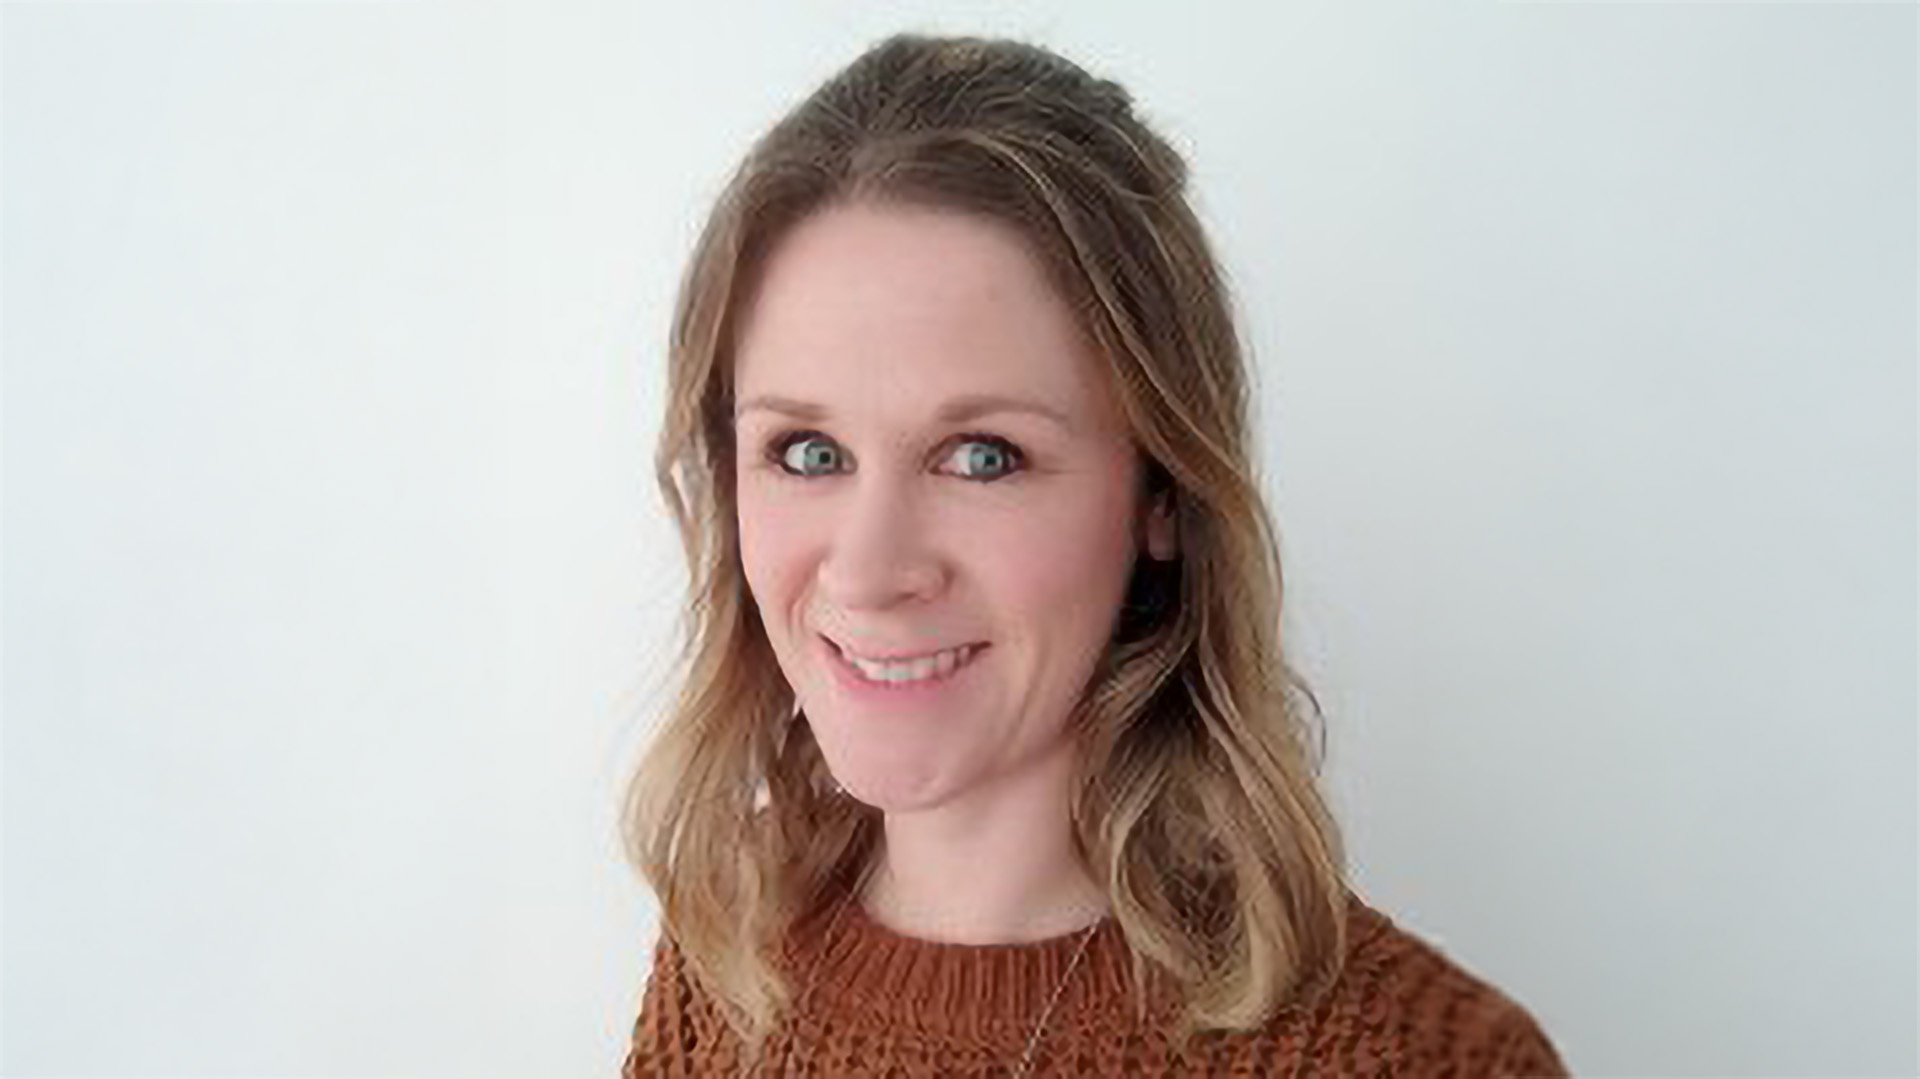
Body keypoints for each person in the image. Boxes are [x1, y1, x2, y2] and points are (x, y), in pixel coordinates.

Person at [620, 32, 1569, 1078]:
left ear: (1160, 492)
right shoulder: (725, 949)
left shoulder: (1422, 1057)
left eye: (982, 456)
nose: (868, 568)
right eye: (808, 450)